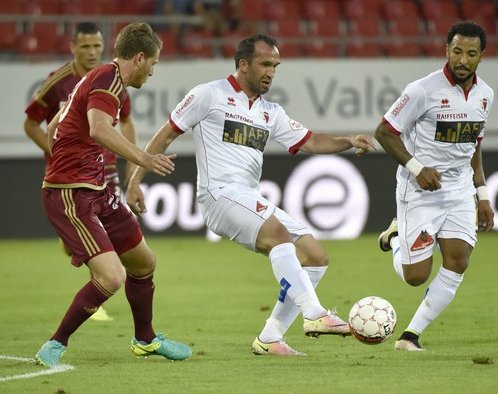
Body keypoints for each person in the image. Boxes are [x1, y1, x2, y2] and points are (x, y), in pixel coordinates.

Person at [126, 33, 376, 356]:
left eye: (276, 65)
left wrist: (349, 140)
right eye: (265, 63)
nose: (271, 71)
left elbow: (312, 142)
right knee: (278, 235)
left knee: (315, 256)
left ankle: (271, 337)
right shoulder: (208, 95)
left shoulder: (270, 111)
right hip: (218, 195)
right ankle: (315, 315)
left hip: (246, 196)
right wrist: (135, 181)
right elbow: (165, 135)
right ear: (243, 64)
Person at [34, 22, 191, 367]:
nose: (153, 71)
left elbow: (53, 126)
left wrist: (69, 153)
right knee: (112, 276)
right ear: (139, 58)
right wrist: (145, 159)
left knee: (143, 262)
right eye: (154, 63)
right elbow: (99, 129)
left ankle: (145, 339)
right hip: (71, 194)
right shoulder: (109, 80)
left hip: (96, 188)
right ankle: (55, 344)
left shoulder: (105, 79)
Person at [374, 21, 495, 351]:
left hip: (458, 191)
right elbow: (384, 132)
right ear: (447, 50)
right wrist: (416, 167)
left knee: (458, 261)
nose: (463, 60)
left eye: (471, 53)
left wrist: (481, 194)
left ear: (481, 57)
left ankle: (410, 336)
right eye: (457, 51)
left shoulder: (486, 95)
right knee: (416, 277)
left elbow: (474, 147)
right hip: (419, 190)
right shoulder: (422, 90)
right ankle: (396, 236)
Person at [24, 22, 137, 322]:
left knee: (112, 233)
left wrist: (133, 162)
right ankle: (101, 285)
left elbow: (126, 120)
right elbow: (32, 123)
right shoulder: (57, 82)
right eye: (85, 46)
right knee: (88, 233)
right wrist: (55, 153)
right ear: (73, 47)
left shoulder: (110, 79)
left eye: (96, 46)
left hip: (106, 169)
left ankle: (106, 283)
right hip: (70, 176)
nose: (91, 52)